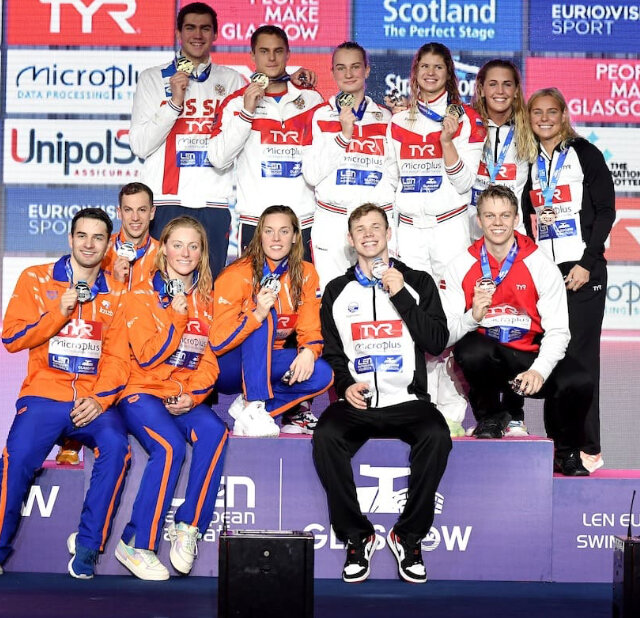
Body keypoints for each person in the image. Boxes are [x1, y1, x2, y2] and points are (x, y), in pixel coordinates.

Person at [314, 204, 451, 584]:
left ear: (389, 233)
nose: (369, 234)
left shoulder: (418, 282)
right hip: (358, 402)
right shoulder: (337, 290)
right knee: (325, 436)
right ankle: (357, 536)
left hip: (407, 400)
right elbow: (332, 351)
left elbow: (436, 341)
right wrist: (345, 385)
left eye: (376, 227)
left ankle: (408, 536)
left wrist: (400, 293)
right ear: (350, 238)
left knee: (436, 435)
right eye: (360, 229)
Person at [0, 208, 131, 579]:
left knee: (117, 448)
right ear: (70, 238)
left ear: (108, 245)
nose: (89, 244)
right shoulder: (35, 278)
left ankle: (87, 547)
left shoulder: (117, 292)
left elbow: (118, 359)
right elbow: (11, 338)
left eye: (98, 237)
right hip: (43, 395)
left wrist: (100, 399)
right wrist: (57, 312)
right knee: (16, 457)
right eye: (82, 236)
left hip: (91, 400)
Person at [439, 185, 592, 476]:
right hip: (489, 355)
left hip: (529, 356)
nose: (497, 222)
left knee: (579, 380)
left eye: (505, 215)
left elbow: (559, 331)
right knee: (469, 350)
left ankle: (567, 452)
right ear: (479, 220)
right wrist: (473, 317)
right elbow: (447, 332)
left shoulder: (540, 263)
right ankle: (491, 417)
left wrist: (539, 371)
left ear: (516, 219)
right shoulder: (461, 265)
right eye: (490, 215)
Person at [115, 216, 227, 580]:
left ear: (202, 253)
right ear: (163, 249)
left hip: (180, 395)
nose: (185, 253)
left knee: (215, 431)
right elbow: (147, 356)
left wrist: (192, 395)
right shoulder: (140, 295)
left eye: (193, 246)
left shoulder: (206, 300)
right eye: (177, 245)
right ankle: (135, 544)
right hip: (141, 392)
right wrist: (177, 319)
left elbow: (209, 361)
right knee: (169, 447)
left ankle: (188, 526)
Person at [386, 42, 486, 437]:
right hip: (409, 230)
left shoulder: (467, 119)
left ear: (449, 74)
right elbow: (391, 179)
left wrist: (446, 141)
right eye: (424, 67)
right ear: (414, 73)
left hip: (449, 229)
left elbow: (464, 183)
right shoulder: (399, 120)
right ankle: (417, 402)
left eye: (438, 67)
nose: (430, 73)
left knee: (450, 317)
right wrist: (391, 231)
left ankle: (451, 409)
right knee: (413, 318)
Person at [522, 88, 615, 473]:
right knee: (554, 359)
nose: (544, 119)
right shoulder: (530, 161)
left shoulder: (585, 154)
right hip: (547, 274)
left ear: (563, 115)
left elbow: (606, 211)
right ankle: (560, 449)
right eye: (537, 112)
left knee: (581, 361)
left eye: (551, 112)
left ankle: (587, 449)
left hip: (582, 271)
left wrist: (588, 263)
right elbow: (527, 216)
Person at [129, 2, 244, 280]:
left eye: (205, 28)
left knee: (210, 285)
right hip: (166, 200)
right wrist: (174, 104)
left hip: (213, 203)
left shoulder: (232, 80)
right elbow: (140, 146)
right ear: (178, 33)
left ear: (215, 34)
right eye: (190, 28)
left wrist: (298, 81)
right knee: (158, 286)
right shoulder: (152, 79)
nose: (198, 35)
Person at [56, 182, 159, 466]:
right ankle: (71, 438)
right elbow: (78, 293)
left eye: (142, 210)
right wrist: (113, 279)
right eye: (128, 210)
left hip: (143, 338)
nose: (135, 218)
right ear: (119, 212)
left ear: (152, 213)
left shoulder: (163, 252)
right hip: (105, 335)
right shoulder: (100, 245)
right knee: (82, 346)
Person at [211, 206, 333, 437]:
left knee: (321, 372)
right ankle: (253, 402)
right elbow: (217, 342)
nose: (276, 238)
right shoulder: (236, 274)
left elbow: (310, 326)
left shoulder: (306, 273)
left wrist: (309, 350)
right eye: (269, 231)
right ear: (259, 236)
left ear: (295, 236)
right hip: (228, 365)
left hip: (269, 361)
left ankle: (253, 410)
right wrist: (255, 315)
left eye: (284, 231)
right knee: (265, 316)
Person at [208, 26, 324, 261]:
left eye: (278, 51)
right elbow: (218, 158)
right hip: (256, 221)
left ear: (288, 54)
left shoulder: (312, 99)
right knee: (254, 286)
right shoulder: (236, 103)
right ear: (252, 55)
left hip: (303, 220)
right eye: (264, 51)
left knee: (305, 286)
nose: (271, 58)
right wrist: (247, 113)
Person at [469, 59, 538, 437]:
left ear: (516, 90)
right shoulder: (466, 123)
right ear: (480, 87)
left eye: (507, 84)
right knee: (474, 329)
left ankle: (514, 411)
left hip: (512, 242)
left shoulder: (528, 128)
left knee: (514, 324)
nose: (499, 91)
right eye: (492, 83)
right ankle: (486, 413)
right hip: (470, 237)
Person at [302, 41, 397, 291]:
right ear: (332, 72)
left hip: (374, 222)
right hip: (332, 220)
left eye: (355, 67)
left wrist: (377, 203)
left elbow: (394, 173)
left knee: (381, 294)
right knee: (332, 296)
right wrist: (343, 136)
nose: (348, 74)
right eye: (341, 68)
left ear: (367, 70)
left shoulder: (386, 117)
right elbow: (311, 174)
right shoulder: (319, 115)